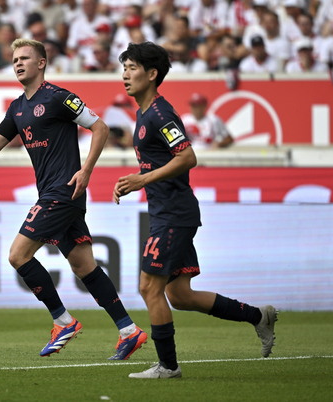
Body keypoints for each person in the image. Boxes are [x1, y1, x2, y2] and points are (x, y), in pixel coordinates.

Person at [0, 38, 147, 360]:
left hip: (63, 191)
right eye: (14, 59)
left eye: (25, 58)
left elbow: (100, 128)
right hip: (55, 194)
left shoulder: (58, 98)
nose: (18, 63)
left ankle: (62, 321)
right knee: (84, 265)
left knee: (18, 255)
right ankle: (129, 331)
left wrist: (86, 171)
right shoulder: (16, 108)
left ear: (41, 63)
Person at [113, 41, 278, 379]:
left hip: (174, 213)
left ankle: (168, 367)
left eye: (131, 68)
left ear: (152, 74)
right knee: (180, 295)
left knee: (149, 288)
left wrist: (143, 179)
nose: (125, 75)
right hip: (168, 211)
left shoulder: (160, 113)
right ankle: (258, 316)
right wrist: (141, 182)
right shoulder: (144, 114)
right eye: (124, 68)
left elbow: (188, 157)